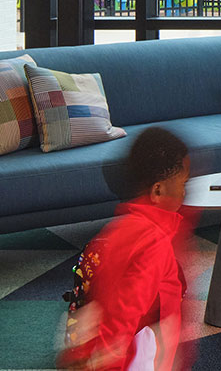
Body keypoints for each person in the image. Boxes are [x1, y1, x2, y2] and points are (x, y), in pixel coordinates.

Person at [59, 127, 196, 371]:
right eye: (183, 183)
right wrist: (110, 349)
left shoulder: (119, 228)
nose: (185, 192)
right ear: (158, 190)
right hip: (138, 348)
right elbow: (129, 303)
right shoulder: (155, 240)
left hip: (113, 339)